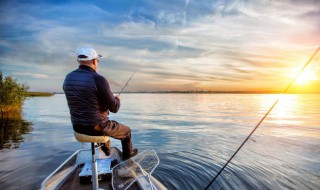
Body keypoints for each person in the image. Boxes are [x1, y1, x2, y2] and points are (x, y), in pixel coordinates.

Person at [63, 46, 138, 160]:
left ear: (80, 61)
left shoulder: (68, 78)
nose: (97, 62)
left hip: (77, 128)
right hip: (97, 128)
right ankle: (127, 162)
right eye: (97, 60)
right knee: (126, 132)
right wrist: (117, 100)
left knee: (102, 125)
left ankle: (106, 152)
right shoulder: (98, 79)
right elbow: (114, 108)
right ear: (94, 61)